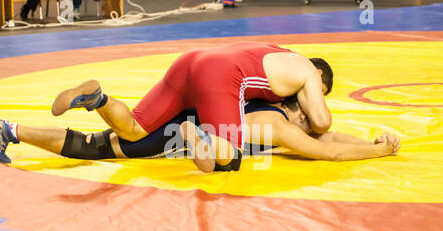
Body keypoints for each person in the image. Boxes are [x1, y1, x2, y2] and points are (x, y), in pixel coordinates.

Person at [49, 42, 334, 172]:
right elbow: (321, 123)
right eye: (318, 94)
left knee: (134, 130)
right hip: (219, 77)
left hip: (191, 62)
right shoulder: (306, 70)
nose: (310, 103)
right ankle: (196, 136)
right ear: (318, 77)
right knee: (228, 158)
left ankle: (98, 99)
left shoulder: (276, 52)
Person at [0, 96, 400, 168]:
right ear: (300, 112)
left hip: (185, 115)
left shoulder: (262, 98)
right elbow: (326, 151)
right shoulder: (278, 125)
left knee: (114, 136)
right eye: (310, 120)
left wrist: (371, 141)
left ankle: (7, 129)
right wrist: (376, 154)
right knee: (96, 147)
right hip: (182, 133)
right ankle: (99, 102)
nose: (314, 128)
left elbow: (328, 138)